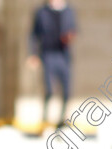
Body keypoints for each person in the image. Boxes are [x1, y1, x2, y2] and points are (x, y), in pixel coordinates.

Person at [27, 0, 77, 128]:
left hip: (63, 55)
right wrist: (33, 54)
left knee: (66, 90)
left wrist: (70, 36)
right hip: (48, 53)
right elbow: (33, 34)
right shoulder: (42, 11)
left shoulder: (68, 11)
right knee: (49, 89)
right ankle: (44, 118)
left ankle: (62, 119)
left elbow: (73, 29)